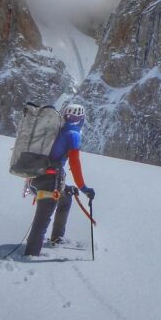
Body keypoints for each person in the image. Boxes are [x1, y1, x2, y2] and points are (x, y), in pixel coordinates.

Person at [24, 103, 95, 256]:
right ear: (81, 119)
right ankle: (30, 255)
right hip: (50, 182)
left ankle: (56, 238)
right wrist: (83, 188)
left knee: (65, 198)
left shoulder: (58, 130)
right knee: (42, 220)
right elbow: (75, 164)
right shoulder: (73, 135)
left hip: (39, 177)